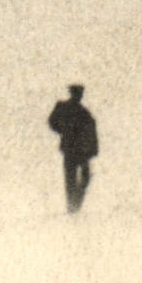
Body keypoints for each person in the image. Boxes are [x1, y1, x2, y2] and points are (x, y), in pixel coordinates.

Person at [48, 85, 98, 214]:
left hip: (80, 150)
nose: (79, 96)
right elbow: (52, 122)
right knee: (73, 178)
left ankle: (74, 205)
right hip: (73, 149)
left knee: (82, 177)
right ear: (73, 94)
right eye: (78, 94)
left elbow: (91, 130)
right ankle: (73, 207)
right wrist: (63, 131)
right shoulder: (64, 107)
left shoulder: (83, 112)